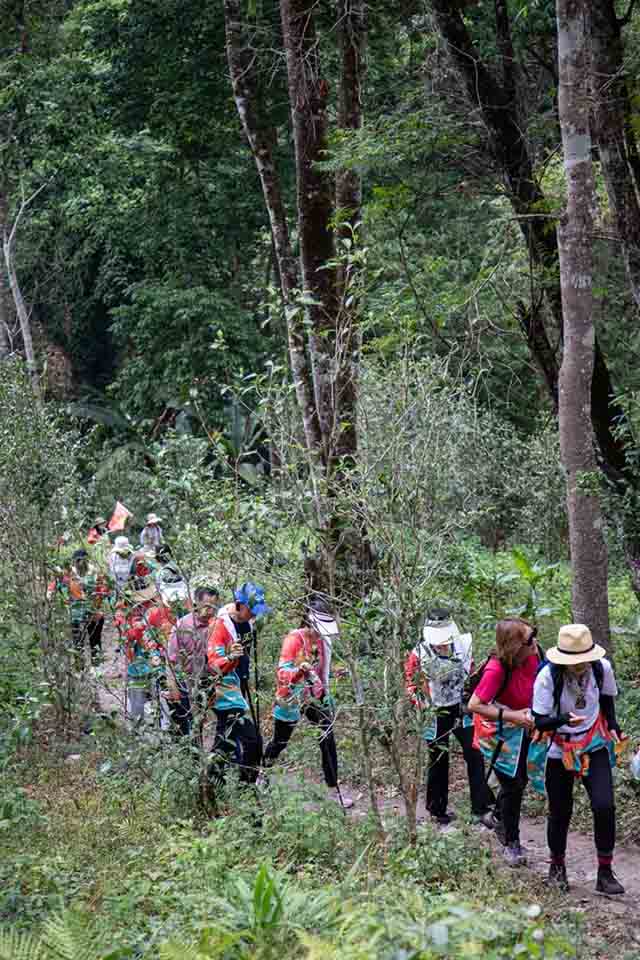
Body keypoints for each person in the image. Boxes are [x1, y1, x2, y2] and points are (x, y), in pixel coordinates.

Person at [532, 624, 625, 895]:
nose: (580, 666)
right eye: (574, 662)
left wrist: (615, 727)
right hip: (559, 748)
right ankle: (557, 868)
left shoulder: (601, 668)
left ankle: (605, 872)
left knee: (604, 805)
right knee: (560, 811)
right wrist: (563, 719)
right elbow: (540, 720)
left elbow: (607, 701)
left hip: (593, 743)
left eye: (584, 660)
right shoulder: (548, 676)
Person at [405, 606, 493, 826]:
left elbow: (471, 673)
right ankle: (437, 809)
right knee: (437, 759)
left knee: (474, 754)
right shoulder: (419, 653)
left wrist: (473, 698)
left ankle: (480, 808)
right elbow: (410, 683)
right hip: (434, 711)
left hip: (461, 707)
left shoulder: (463, 645)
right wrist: (421, 704)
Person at [263, 600, 353, 807]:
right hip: (292, 696)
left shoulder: (324, 642)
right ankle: (261, 773)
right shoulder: (294, 640)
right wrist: (299, 670)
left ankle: (333, 790)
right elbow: (282, 673)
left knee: (327, 736)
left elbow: (323, 668)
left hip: (315, 695)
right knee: (280, 740)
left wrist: (334, 674)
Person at [468, 618, 538, 866]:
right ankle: (511, 841)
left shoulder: (532, 656)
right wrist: (512, 716)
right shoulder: (496, 669)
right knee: (512, 783)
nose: (535, 643)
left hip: (523, 728)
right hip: (497, 733)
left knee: (521, 779)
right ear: (515, 645)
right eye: (530, 639)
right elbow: (474, 705)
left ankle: (497, 816)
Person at [206, 583, 269, 784]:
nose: (254, 616)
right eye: (251, 611)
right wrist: (230, 657)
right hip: (222, 690)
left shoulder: (245, 623)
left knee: (226, 741)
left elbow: (245, 655)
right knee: (252, 740)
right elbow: (213, 664)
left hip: (236, 686)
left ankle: (213, 783)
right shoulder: (219, 625)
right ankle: (245, 786)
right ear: (239, 605)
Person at [166, 586, 220, 737]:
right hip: (185, 681)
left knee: (200, 722)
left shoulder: (216, 625)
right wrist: (172, 685)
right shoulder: (182, 626)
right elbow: (171, 658)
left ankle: (198, 755)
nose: (211, 611)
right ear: (197, 603)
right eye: (207, 606)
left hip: (206, 680)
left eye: (214, 607)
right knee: (184, 723)